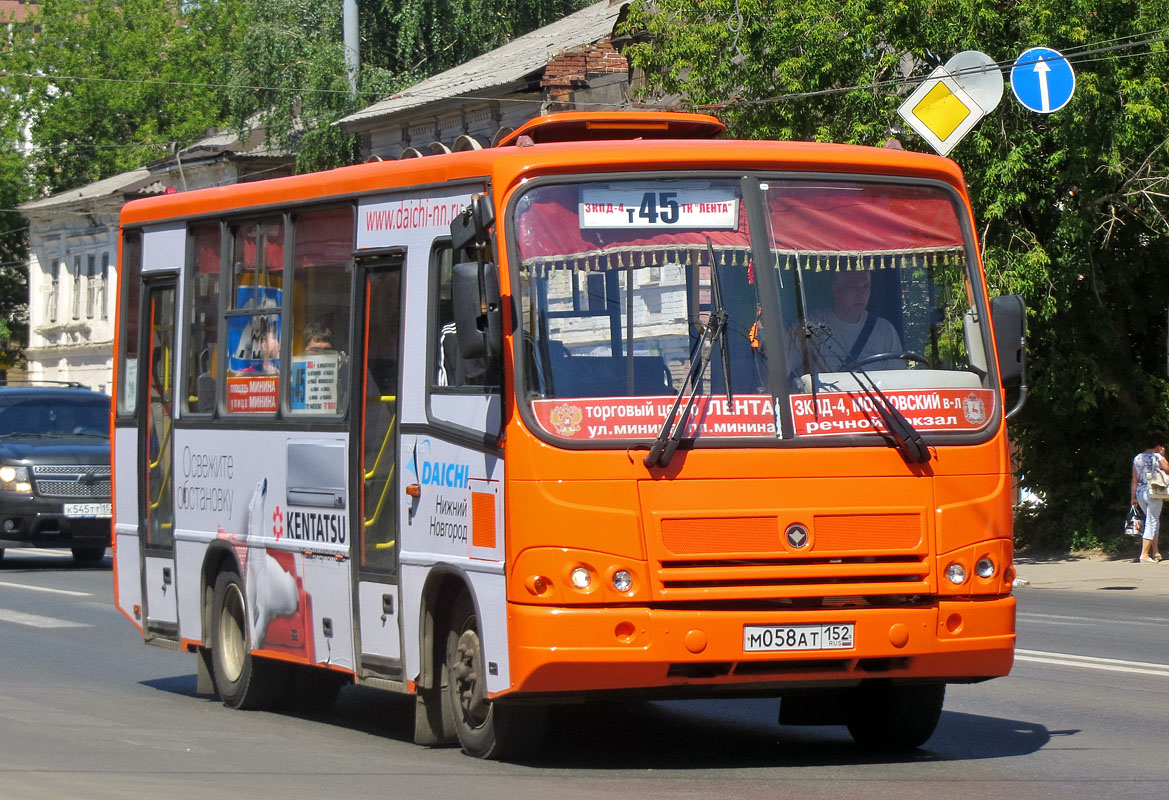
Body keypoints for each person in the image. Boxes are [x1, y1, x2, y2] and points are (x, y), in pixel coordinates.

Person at [788, 269, 904, 374]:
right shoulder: (810, 327)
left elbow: (899, 382)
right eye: (854, 286)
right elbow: (780, 373)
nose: (861, 293)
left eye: (865, 287)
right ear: (836, 289)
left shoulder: (885, 331)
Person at [1131, 435, 1167, 563]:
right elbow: (1168, 469)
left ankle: (1155, 552)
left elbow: (1134, 480)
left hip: (1140, 493)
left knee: (1153, 520)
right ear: (1158, 446)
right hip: (1154, 492)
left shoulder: (1138, 458)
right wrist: (1162, 455)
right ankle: (1144, 554)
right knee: (1151, 522)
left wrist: (1133, 497)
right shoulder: (1157, 456)